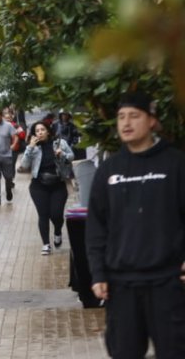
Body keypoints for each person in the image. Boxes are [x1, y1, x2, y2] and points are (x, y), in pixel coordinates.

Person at [86, 91, 185, 359]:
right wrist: (98, 274)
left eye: (134, 116)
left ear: (151, 121)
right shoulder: (109, 170)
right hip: (121, 285)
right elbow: (96, 227)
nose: (126, 123)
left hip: (168, 283)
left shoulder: (175, 164)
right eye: (121, 117)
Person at [18, 121, 73, 255]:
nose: (40, 133)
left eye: (42, 130)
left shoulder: (59, 143)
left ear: (48, 131)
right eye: (37, 131)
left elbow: (71, 156)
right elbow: (24, 165)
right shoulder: (33, 147)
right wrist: (30, 148)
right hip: (38, 186)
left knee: (56, 214)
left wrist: (62, 154)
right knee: (43, 215)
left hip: (58, 184)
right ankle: (46, 244)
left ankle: (58, 231)